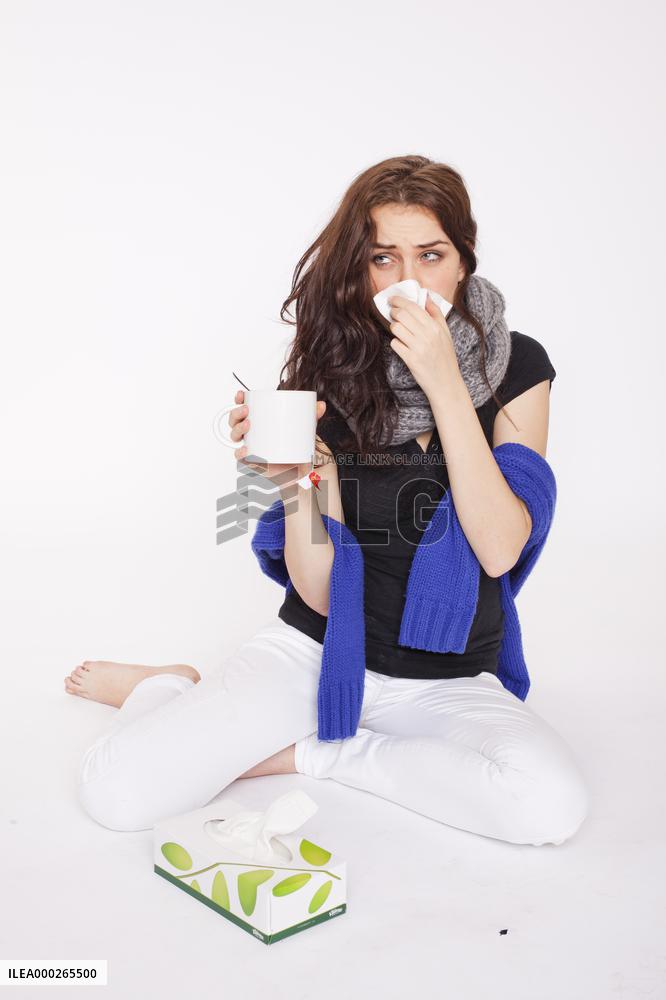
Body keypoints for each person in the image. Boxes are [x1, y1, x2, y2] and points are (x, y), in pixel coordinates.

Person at [68, 156, 589, 846]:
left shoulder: (517, 365)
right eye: (383, 258)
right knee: (117, 794)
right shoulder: (332, 374)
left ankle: (324, 752)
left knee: (547, 807)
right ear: (360, 269)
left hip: (447, 676)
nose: (409, 279)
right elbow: (319, 593)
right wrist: (294, 479)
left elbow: (499, 545)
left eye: (431, 255)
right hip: (317, 650)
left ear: (463, 261)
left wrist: (444, 383)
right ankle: (169, 687)